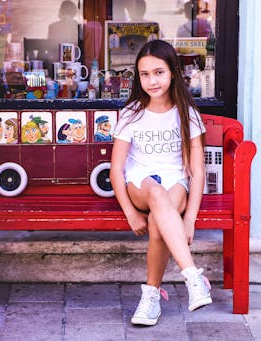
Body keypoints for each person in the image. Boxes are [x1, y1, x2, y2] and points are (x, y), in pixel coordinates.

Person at [109, 39, 212, 326]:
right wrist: (130, 212)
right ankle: (193, 276)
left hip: (176, 183)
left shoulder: (186, 114)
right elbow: (116, 169)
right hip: (140, 185)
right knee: (155, 193)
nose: (151, 81)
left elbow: (197, 170)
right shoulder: (132, 113)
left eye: (159, 72)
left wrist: (189, 218)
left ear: (173, 73)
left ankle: (151, 297)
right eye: (144, 74)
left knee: (158, 221)